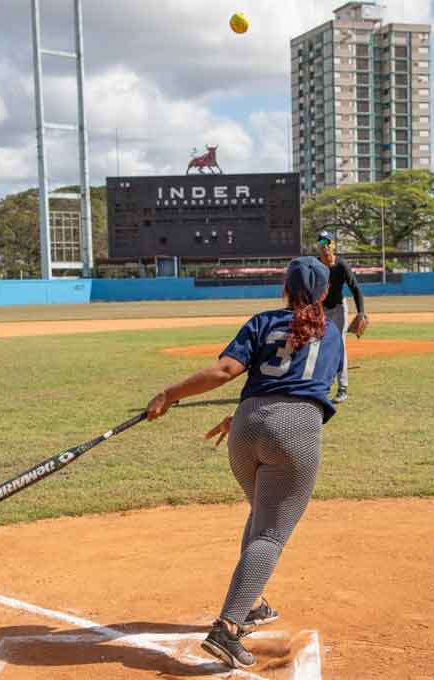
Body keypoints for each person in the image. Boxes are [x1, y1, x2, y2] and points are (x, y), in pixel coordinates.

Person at [145, 256, 344, 669]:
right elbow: (305, 386)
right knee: (271, 534)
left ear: (285, 289)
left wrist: (169, 394)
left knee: (261, 519)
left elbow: (225, 371)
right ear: (325, 294)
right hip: (295, 431)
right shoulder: (334, 334)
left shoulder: (261, 321)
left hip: (245, 429)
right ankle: (229, 627)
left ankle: (250, 603)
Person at [316, 230, 367, 403]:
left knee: (339, 346)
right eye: (322, 243)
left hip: (338, 309)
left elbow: (356, 288)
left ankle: (343, 388)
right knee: (320, 346)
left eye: (328, 242)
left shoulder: (341, 265)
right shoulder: (315, 265)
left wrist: (361, 312)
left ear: (333, 245)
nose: (325, 246)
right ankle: (321, 386)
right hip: (321, 310)